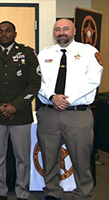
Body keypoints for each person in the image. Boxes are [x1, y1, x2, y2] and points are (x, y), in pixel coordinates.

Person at [37, 18, 103, 200]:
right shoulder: (45, 54)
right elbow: (36, 81)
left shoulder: (89, 52)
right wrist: (52, 96)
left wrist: (66, 99)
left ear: (74, 31)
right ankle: (52, 191)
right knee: (49, 156)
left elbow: (93, 81)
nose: (61, 32)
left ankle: (83, 193)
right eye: (57, 29)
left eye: (65, 28)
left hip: (77, 113)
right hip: (49, 113)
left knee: (81, 157)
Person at [0, 21, 41, 200]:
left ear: (15, 33)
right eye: (0, 31)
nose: (3, 34)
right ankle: (0, 190)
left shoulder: (28, 53)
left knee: (22, 157)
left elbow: (34, 84)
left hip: (20, 114)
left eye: (8, 31)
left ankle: (22, 191)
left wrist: (16, 105)